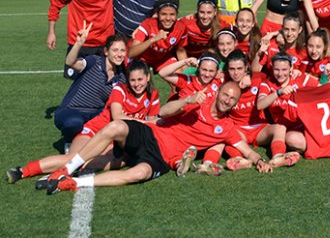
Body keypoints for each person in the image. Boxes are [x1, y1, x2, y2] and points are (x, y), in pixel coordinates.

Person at [43, 82, 273, 194]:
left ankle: (74, 183)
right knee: (115, 126)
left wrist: (259, 160)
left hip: (162, 158)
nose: (227, 100)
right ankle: (67, 168)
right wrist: (187, 100)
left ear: (234, 103)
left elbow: (245, 148)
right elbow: (163, 111)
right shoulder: (198, 100)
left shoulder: (227, 126)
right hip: (152, 134)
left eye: (232, 99)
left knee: (139, 174)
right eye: (225, 95)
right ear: (220, 91)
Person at [7, 60, 159, 185]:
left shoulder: (153, 95)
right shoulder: (120, 89)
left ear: (148, 78)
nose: (137, 84)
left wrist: (142, 121)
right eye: (132, 80)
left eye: (140, 79)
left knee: (122, 161)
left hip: (116, 141)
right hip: (97, 130)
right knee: (72, 158)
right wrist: (141, 121)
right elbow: (118, 116)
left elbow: (151, 124)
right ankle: (23, 171)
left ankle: (63, 176)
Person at [222, 50, 301, 170]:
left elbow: (276, 76)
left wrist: (294, 72)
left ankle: (278, 156)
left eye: (239, 68)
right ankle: (239, 160)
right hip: (238, 129)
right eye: (232, 69)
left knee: (280, 127)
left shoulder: (258, 78)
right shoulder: (224, 84)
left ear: (246, 68)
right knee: (227, 136)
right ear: (227, 70)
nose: (236, 73)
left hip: (260, 128)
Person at [55, 26, 127, 143]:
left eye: (122, 51)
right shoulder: (94, 61)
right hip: (72, 110)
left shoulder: (122, 77)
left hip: (96, 114)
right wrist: (78, 43)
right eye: (115, 50)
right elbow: (70, 62)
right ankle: (69, 142)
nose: (119, 54)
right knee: (74, 123)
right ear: (106, 51)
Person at [257, 52, 319, 153]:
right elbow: (260, 105)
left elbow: (322, 90)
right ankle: (316, 147)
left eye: (284, 69)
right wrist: (278, 92)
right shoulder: (267, 84)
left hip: (307, 125)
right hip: (287, 131)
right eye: (276, 69)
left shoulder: (300, 79)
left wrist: (325, 76)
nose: (280, 74)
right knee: (292, 139)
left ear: (291, 68)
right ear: (272, 68)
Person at [128, 0, 188, 72]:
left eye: (172, 14)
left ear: (177, 15)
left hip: (161, 59)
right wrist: (154, 39)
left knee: (180, 81)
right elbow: (131, 53)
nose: (168, 18)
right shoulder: (148, 24)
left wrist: (187, 77)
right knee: (138, 81)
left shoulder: (181, 28)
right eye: (163, 14)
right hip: (141, 57)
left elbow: (181, 51)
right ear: (158, 14)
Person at [158, 52, 222, 101]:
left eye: (211, 71)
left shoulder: (218, 83)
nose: (207, 74)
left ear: (216, 71)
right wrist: (185, 61)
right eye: (204, 69)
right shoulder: (187, 81)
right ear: (198, 68)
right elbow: (162, 73)